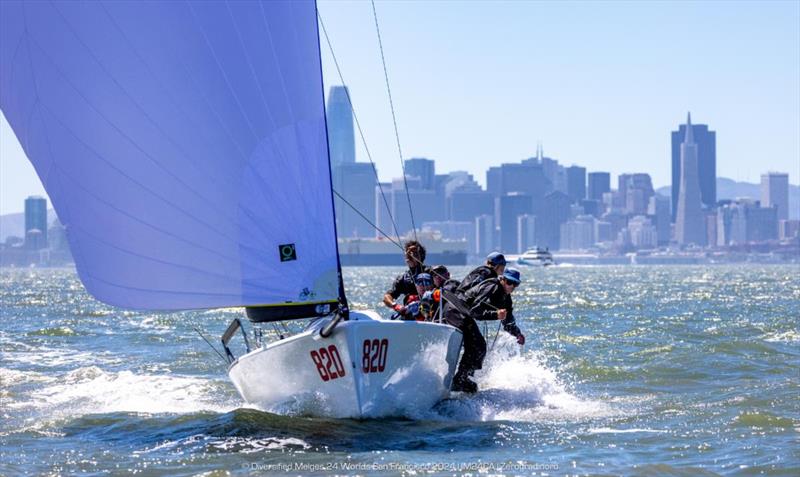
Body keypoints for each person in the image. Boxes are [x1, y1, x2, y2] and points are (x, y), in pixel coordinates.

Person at [444, 268, 526, 393]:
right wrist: (495, 315)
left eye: (515, 284)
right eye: (509, 282)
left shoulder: (506, 298)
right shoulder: (491, 287)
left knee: (479, 346)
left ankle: (463, 378)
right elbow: (474, 311)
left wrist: (517, 333)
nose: (512, 287)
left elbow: (508, 320)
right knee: (478, 346)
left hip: (464, 314)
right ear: (502, 279)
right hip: (455, 311)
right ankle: (460, 380)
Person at [383, 241, 428, 314]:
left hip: (429, 313)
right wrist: (395, 305)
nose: (409, 255)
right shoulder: (403, 278)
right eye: (408, 253)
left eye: (414, 253)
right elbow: (387, 297)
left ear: (421, 256)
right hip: (411, 315)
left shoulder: (431, 272)